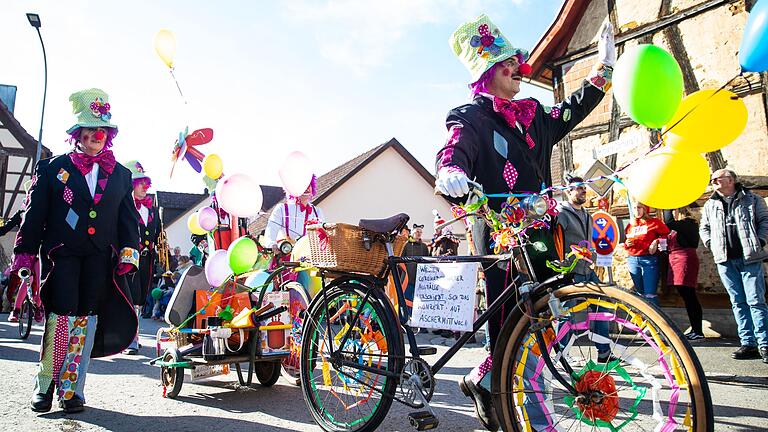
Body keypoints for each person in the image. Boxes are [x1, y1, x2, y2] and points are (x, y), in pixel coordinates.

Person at [434, 14, 615, 431]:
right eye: (505, 63)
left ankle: (484, 381)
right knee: (510, 325)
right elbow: (453, 150)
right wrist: (451, 172)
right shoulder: (471, 117)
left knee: (541, 321)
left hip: (542, 234)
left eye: (515, 59)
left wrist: (604, 66)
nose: (517, 66)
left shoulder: (533, 114)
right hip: (500, 235)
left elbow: (573, 108)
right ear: (486, 74)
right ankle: (520, 412)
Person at [11, 88, 139, 413]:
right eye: (90, 130)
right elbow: (34, 213)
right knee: (62, 317)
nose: (96, 136)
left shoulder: (121, 175)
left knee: (86, 321)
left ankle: (72, 390)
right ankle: (45, 385)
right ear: (78, 134)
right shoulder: (53, 168)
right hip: (62, 254)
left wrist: (128, 253)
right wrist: (25, 251)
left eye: (102, 131)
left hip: (98, 257)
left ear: (107, 136)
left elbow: (128, 221)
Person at [700, 169, 768, 362]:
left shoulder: (752, 199)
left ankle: (764, 343)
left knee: (756, 301)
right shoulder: (710, 204)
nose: (713, 182)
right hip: (725, 260)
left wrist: (760, 241)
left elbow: (765, 221)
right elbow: (704, 227)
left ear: (730, 180)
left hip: (750, 258)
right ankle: (748, 343)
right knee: (738, 302)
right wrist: (711, 244)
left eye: (716, 179)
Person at [554, 175, 612, 361]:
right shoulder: (561, 214)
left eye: (584, 188)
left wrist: (593, 256)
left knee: (601, 307)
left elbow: (589, 244)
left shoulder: (588, 215)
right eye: (578, 188)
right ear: (568, 192)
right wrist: (561, 264)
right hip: (570, 272)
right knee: (566, 314)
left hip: (588, 270)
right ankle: (563, 354)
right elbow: (555, 242)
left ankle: (604, 352)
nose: (583, 191)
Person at [123, 160, 160, 355]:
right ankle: (130, 338)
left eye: (145, 182)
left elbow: (158, 235)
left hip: (146, 259)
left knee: (139, 298)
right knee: (129, 297)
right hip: (128, 259)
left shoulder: (152, 211)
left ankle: (132, 336)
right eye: (140, 182)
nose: (144, 186)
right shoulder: (124, 207)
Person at [264, 176, 324, 283]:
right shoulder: (282, 209)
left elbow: (322, 236)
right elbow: (270, 231)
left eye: (308, 184)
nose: (306, 188)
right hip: (287, 259)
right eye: (302, 184)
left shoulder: (317, 212)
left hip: (310, 261)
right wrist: (272, 245)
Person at [664, 206, 704, 341]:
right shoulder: (681, 227)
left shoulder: (688, 224)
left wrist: (666, 207)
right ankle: (695, 329)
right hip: (675, 260)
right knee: (687, 297)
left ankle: (698, 330)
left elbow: (668, 222)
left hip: (684, 260)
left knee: (689, 296)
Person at [624, 203, 670, 306]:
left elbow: (667, 235)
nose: (637, 210)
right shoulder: (630, 225)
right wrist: (626, 244)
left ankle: (655, 320)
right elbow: (626, 244)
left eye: (639, 208)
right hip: (633, 260)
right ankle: (642, 320)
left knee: (650, 294)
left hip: (649, 260)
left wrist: (656, 241)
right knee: (640, 294)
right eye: (634, 208)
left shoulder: (654, 222)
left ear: (645, 209)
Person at [400, 223, 430, 320]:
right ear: (413, 232)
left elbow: (428, 262)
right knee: (407, 301)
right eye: (417, 232)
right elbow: (400, 261)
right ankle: (406, 320)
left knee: (419, 302)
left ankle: (419, 321)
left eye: (420, 232)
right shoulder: (406, 245)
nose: (419, 234)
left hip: (420, 279)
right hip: (407, 279)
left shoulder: (424, 247)